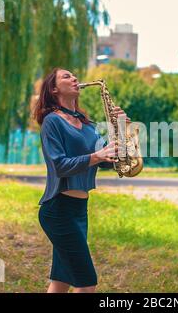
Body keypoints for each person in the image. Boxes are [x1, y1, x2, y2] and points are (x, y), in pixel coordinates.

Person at [33, 68, 129, 293]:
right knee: (87, 283)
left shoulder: (87, 125)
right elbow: (59, 165)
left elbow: (109, 160)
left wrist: (121, 128)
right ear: (54, 89)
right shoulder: (52, 122)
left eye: (74, 75)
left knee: (61, 281)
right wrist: (96, 155)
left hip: (79, 210)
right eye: (66, 76)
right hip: (58, 211)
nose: (75, 78)